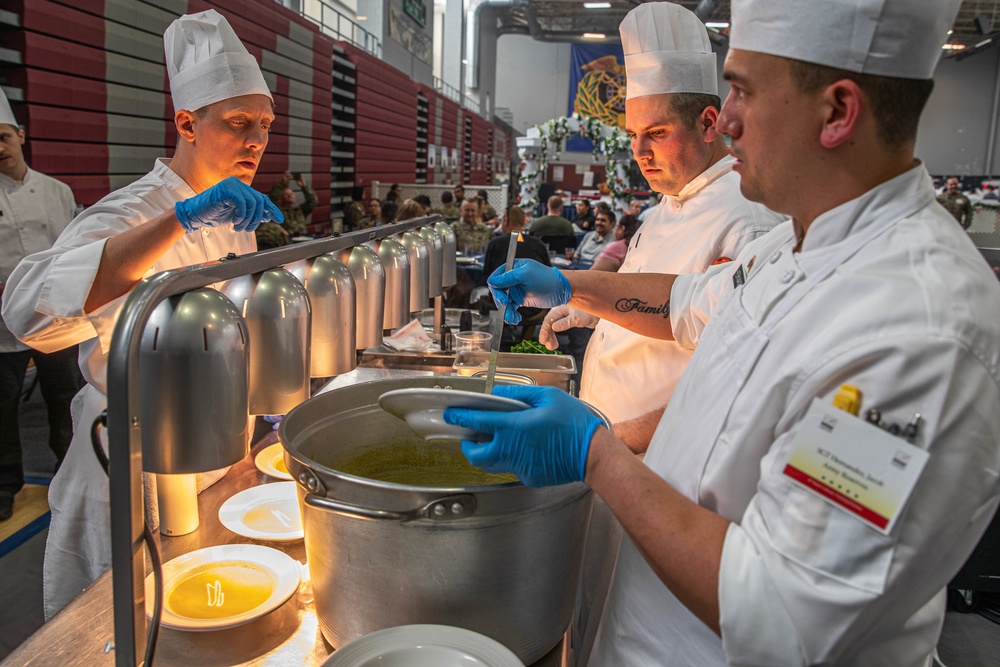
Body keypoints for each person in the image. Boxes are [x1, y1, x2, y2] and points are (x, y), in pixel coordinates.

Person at [446, 1, 1000, 665]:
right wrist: (571, 284)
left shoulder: (918, 332)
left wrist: (597, 452)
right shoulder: (796, 245)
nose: (726, 118)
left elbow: (783, 610)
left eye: (742, 90)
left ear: (837, 111)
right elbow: (685, 302)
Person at [1, 9, 281, 619]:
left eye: (264, 124)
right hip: (130, 469)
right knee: (119, 631)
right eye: (239, 123)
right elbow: (28, 314)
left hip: (213, 457)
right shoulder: (130, 213)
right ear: (186, 122)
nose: (257, 140)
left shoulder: (238, 221)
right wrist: (181, 219)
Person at [543, 2, 780, 453]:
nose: (639, 152)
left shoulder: (747, 218)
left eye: (656, 133)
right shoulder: (668, 204)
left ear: (709, 123)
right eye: (633, 135)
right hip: (612, 451)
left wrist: (607, 442)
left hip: (660, 457)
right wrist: (596, 310)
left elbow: (731, 378)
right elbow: (666, 302)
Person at [0, 89, 84, 522]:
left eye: (3, 137)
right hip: (2, 324)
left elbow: (73, 250)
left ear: (21, 135)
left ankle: (69, 472)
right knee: (3, 408)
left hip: (57, 317)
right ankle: (5, 486)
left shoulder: (56, 191)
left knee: (65, 397)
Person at [482, 206, 551, 324]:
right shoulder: (538, 244)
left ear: (506, 220)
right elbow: (548, 276)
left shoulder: (495, 243)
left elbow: (486, 276)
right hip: (535, 306)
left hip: (502, 304)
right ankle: (527, 333)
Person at [267, 170, 317, 237]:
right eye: (286, 194)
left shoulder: (300, 211)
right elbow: (273, 199)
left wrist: (304, 187)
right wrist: (282, 183)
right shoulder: (278, 212)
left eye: (291, 194)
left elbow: (312, 201)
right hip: (286, 243)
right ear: (281, 198)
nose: (290, 195)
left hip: (302, 241)